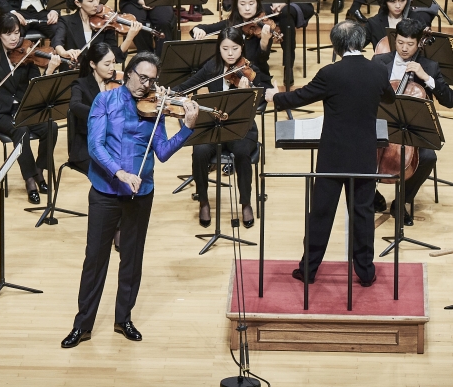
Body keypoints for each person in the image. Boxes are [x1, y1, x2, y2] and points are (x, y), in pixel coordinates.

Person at [61, 52, 200, 348]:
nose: (146, 84)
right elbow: (95, 146)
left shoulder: (157, 107)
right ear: (128, 73)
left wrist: (186, 128)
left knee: (132, 259)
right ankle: (82, 325)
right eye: (142, 77)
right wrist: (120, 172)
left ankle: (123, 319)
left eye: (152, 79)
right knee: (95, 260)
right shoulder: (105, 101)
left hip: (141, 194)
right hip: (106, 193)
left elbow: (161, 152)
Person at [264, 20, 395, 286]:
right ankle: (366, 273)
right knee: (362, 214)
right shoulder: (377, 71)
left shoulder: (330, 73)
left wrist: (274, 97)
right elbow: (390, 99)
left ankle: (308, 270)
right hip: (364, 155)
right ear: (361, 42)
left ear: (336, 45)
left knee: (321, 213)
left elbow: (300, 97)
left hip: (333, 156)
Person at [173, 27, 270, 229]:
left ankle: (245, 203)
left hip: (241, 127)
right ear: (219, 49)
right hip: (213, 127)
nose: (230, 53)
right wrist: (171, 93)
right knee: (199, 151)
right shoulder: (212, 68)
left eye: (235, 48)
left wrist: (247, 94)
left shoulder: (251, 71)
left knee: (242, 152)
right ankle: (204, 201)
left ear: (241, 47)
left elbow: (261, 101)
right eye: (225, 49)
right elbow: (187, 85)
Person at [0, 13, 61, 204]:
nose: (14, 38)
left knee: (51, 127)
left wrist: (50, 70)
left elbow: (37, 85)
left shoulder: (27, 54)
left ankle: (39, 171)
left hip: (22, 110)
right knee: (21, 131)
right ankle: (30, 181)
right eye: (8, 33)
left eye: (17, 33)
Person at [371, 18, 453, 226]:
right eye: (400, 43)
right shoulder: (380, 62)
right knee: (357, 150)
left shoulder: (429, 67)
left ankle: (402, 201)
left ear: (418, 43)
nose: (404, 48)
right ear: (394, 40)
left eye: (410, 44)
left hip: (412, 130)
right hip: (381, 126)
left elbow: (449, 101)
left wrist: (426, 78)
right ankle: (373, 196)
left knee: (427, 157)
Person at [191, 0, 309, 84]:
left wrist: (264, 41)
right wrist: (198, 30)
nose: (247, 8)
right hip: (232, 78)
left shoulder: (263, 27)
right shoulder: (231, 24)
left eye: (251, 4)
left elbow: (261, 61)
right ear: (237, 5)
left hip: (257, 78)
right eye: (243, 4)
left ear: (257, 4)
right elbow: (201, 28)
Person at [52, 0, 141, 67]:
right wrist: (64, 53)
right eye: (91, 1)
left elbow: (115, 57)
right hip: (73, 75)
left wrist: (129, 38)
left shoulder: (106, 23)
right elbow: (57, 41)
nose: (96, 4)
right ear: (78, 3)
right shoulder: (66, 21)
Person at [69, 43, 117, 174]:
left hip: (113, 143)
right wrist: (101, 113)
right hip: (87, 145)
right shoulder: (80, 85)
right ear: (93, 64)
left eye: (113, 62)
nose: (112, 68)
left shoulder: (117, 82)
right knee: (113, 172)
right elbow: (74, 105)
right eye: (107, 64)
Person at [364, 0, 435, 49]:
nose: (398, 6)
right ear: (385, 0)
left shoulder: (417, 20)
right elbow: (356, 46)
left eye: (402, 0)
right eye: (392, 1)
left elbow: (429, 49)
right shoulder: (373, 23)